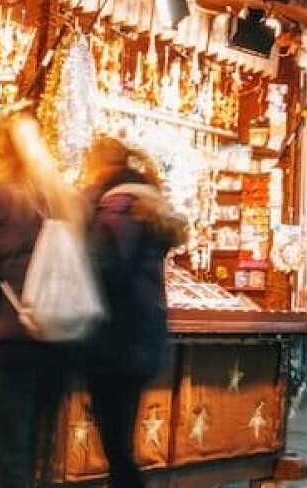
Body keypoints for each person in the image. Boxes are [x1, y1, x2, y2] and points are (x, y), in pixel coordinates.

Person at [0, 115, 82, 488]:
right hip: (56, 342)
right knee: (38, 461)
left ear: (1, 151)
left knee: (8, 464)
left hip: (7, 343)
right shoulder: (65, 201)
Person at [82, 134, 187, 488]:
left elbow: (109, 269)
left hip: (116, 341)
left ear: (98, 167)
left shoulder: (116, 209)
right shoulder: (146, 205)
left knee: (117, 445)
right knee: (119, 439)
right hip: (142, 338)